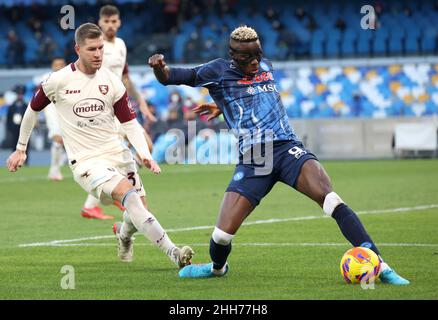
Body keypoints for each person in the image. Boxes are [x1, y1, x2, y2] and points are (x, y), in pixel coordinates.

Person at [148, 25, 409, 284]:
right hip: (254, 159)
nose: (254, 61)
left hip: (287, 148)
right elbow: (172, 75)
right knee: (221, 237)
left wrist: (222, 105)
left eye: (258, 54)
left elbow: (257, 99)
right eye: (247, 57)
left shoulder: (266, 67)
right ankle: (217, 268)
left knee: (331, 198)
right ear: (233, 55)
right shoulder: (216, 70)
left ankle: (381, 266)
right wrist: (160, 68)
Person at [7, 23, 194, 270]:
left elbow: (129, 123)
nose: (98, 54)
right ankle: (174, 253)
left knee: (138, 209)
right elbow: (32, 111)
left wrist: (145, 154)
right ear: (78, 49)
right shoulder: (58, 81)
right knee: (129, 196)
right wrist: (21, 148)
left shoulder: (112, 82)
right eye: (91, 49)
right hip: (87, 162)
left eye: (101, 49)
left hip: (117, 153)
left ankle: (123, 235)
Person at [79, 4, 157, 220]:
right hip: (103, 108)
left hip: (120, 106)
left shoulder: (121, 45)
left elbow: (125, 78)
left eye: (114, 21)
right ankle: (119, 196)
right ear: (100, 22)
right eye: (106, 22)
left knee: (145, 148)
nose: (110, 25)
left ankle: (101, 201)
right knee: (124, 153)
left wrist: (141, 103)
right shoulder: (95, 46)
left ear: (119, 22)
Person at [39, 57, 67, 181]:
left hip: (66, 111)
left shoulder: (71, 77)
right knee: (57, 139)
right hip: (51, 110)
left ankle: (55, 169)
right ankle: (54, 170)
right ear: (52, 66)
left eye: (61, 64)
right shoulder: (46, 78)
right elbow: (38, 97)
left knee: (66, 142)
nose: (59, 67)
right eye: (56, 65)